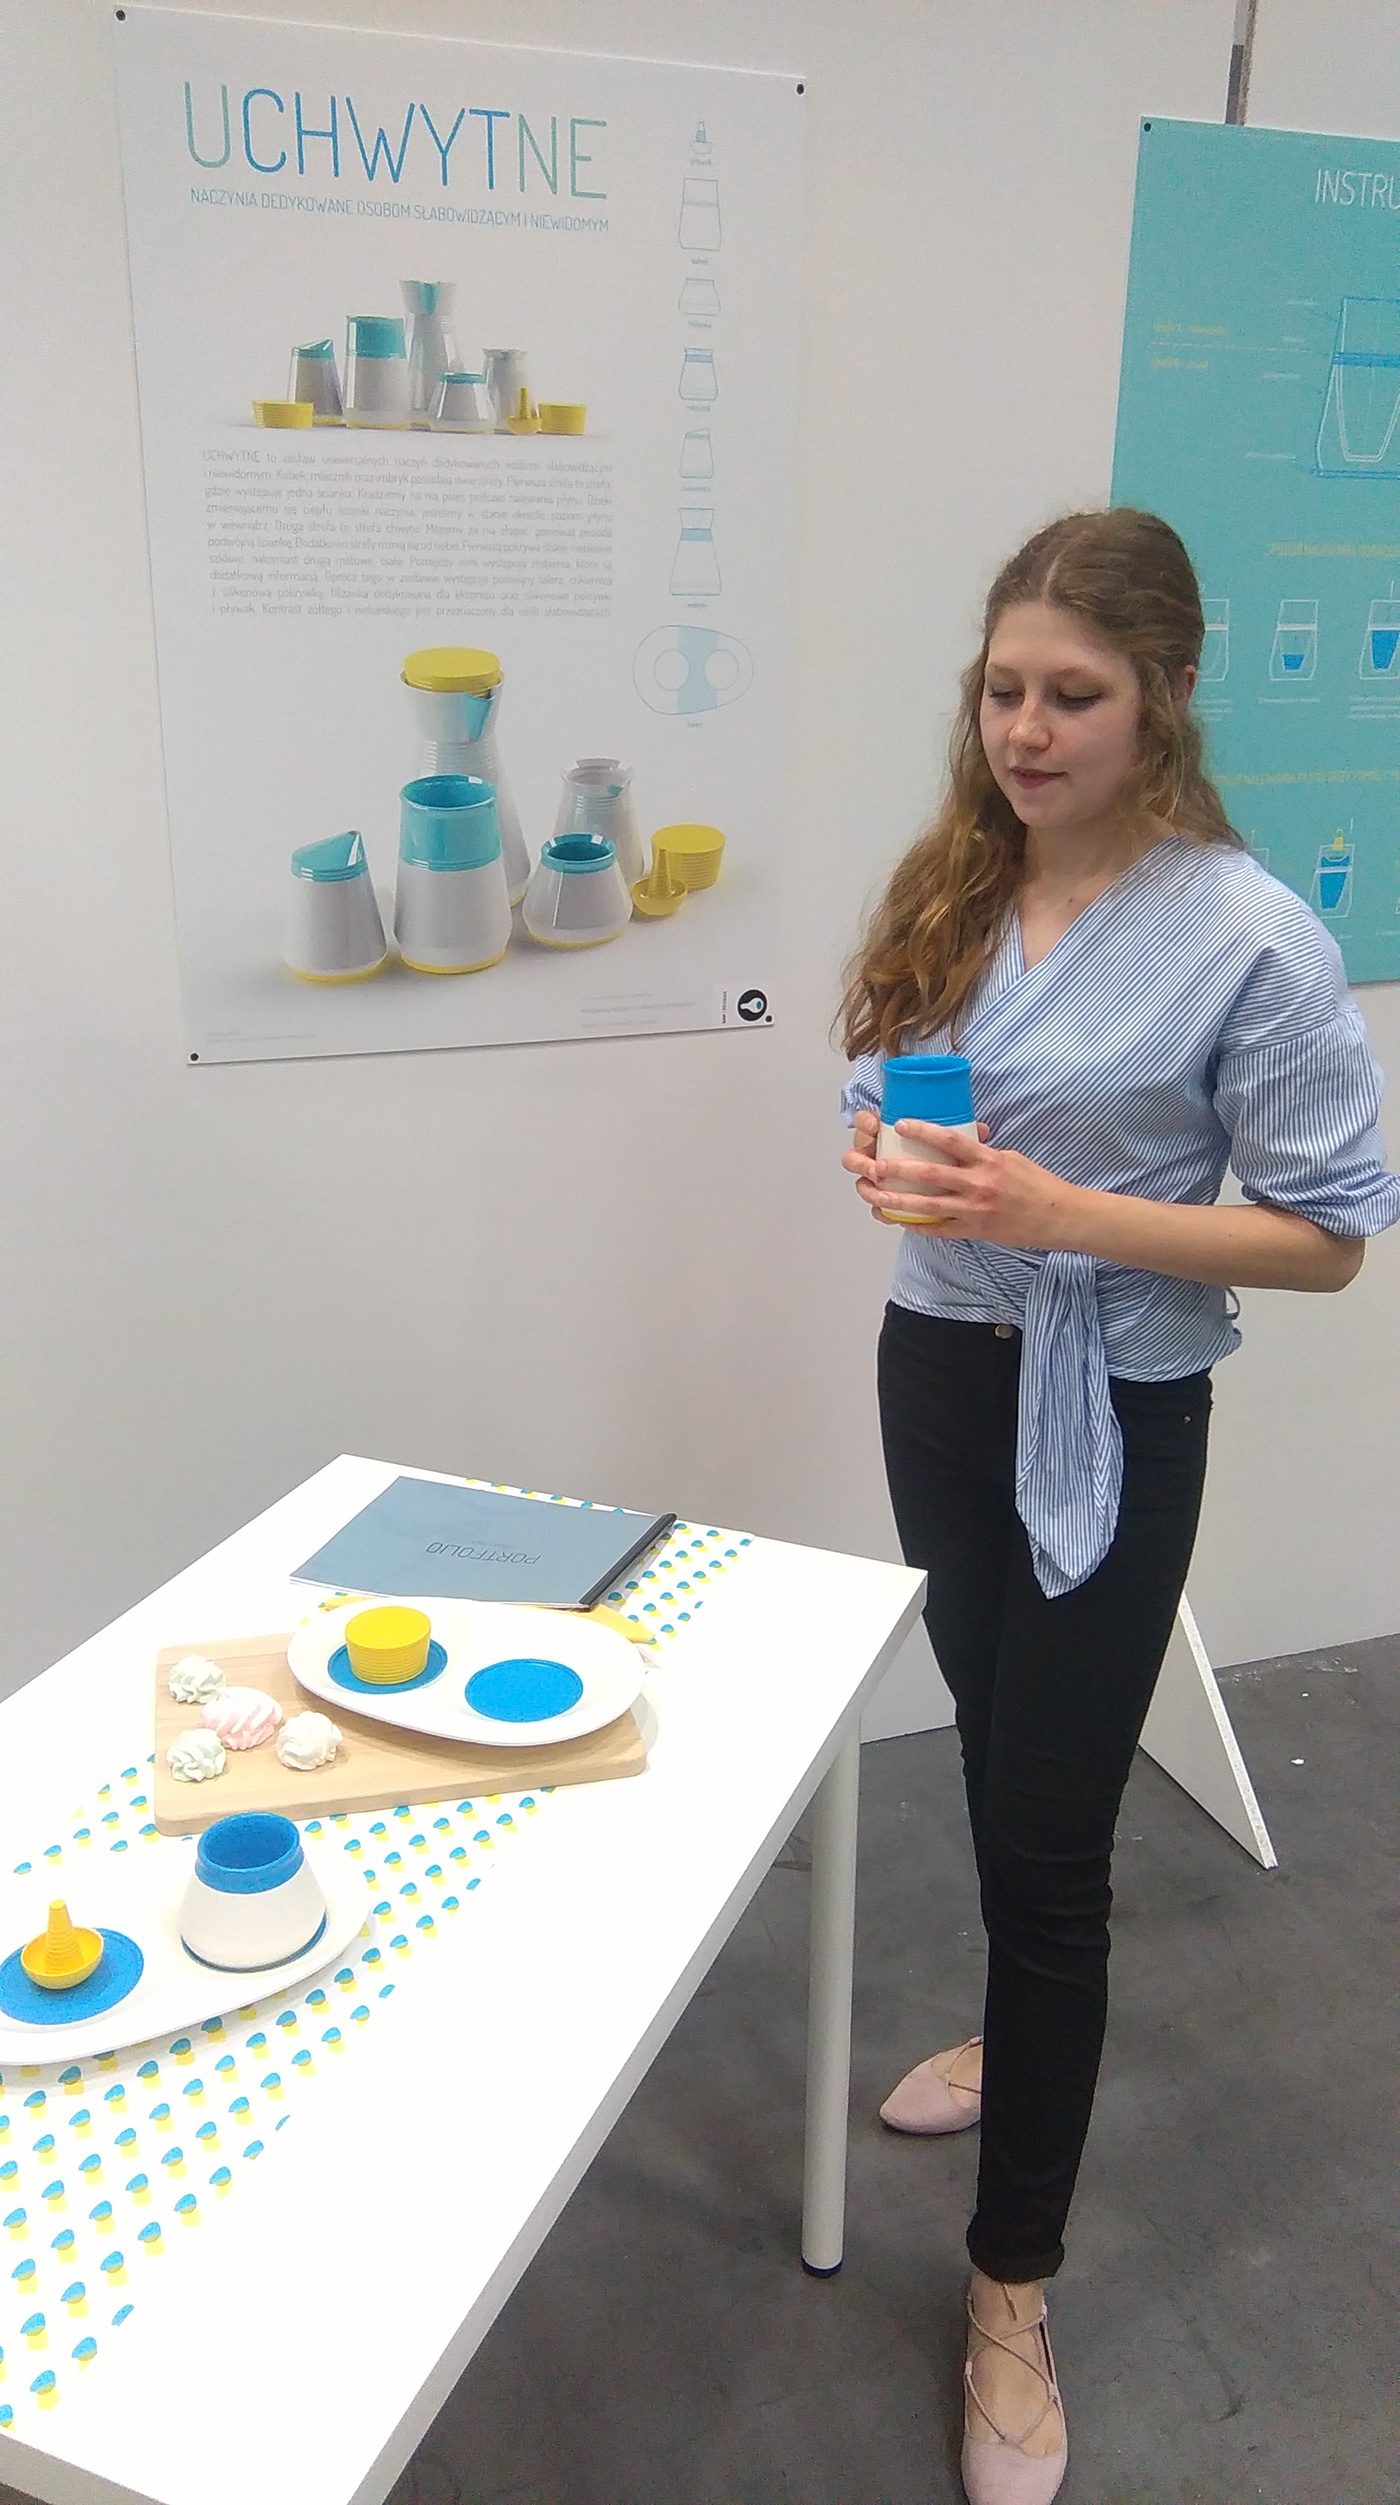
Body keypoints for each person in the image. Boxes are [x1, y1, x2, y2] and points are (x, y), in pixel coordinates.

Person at [838, 508, 1400, 2505]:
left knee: (1051, 1835)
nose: (1024, 729)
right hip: (939, 1370)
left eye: (1070, 694)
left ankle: (1012, 2283)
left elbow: (1329, 1234)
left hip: (1120, 1402)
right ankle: (1016, 2033)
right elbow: (891, 1094)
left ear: (1164, 693)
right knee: (996, 1737)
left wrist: (1065, 1212)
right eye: (1002, 687)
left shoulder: (1250, 936)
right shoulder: (957, 878)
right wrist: (884, 1160)